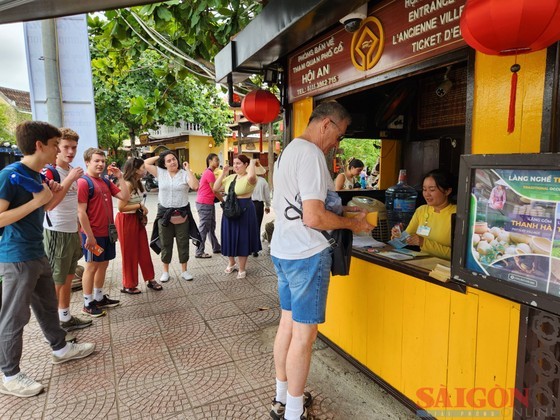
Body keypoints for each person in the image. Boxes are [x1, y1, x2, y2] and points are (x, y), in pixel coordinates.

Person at [269, 102, 372, 420]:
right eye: (339, 135)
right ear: (327, 124)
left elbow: (300, 206)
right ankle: (294, 412)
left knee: (287, 323)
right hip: (306, 255)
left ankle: (282, 396)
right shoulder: (312, 154)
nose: (336, 144)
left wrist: (341, 212)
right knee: (304, 335)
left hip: (284, 250)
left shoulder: (289, 151)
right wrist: (353, 224)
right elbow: (313, 217)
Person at [0, 121, 95, 398]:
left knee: (47, 306)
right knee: (14, 316)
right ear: (40, 145)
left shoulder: (35, 175)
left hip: (36, 251)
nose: (58, 151)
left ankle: (61, 348)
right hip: (16, 257)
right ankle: (10, 375)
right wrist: (36, 200)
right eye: (55, 145)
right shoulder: (9, 175)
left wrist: (50, 192)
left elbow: (48, 205)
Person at [42, 128, 92, 337]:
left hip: (72, 231)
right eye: (66, 147)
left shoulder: (70, 169)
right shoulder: (50, 172)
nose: (70, 151)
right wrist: (70, 179)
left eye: (74, 147)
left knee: (68, 279)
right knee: (57, 281)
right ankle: (52, 330)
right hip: (56, 232)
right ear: (57, 148)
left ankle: (65, 317)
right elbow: (50, 205)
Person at [77, 148, 130, 317]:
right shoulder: (84, 182)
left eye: (102, 161)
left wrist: (120, 177)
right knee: (91, 266)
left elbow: (125, 197)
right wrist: (89, 236)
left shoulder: (105, 182)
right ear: (87, 162)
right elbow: (81, 212)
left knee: (104, 264)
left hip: (107, 233)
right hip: (93, 234)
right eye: (96, 161)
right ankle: (87, 303)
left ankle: (99, 297)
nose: (100, 164)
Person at [144, 151, 199, 282]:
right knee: (165, 242)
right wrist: (162, 154)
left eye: (173, 159)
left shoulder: (184, 174)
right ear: (164, 163)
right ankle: (165, 271)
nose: (172, 162)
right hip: (164, 215)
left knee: (183, 242)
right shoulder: (160, 173)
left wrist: (188, 169)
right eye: (168, 161)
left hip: (182, 215)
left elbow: (195, 186)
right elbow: (146, 163)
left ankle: (184, 271)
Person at [115, 158, 161, 294]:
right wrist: (140, 206)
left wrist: (141, 209)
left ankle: (150, 279)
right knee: (129, 253)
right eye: (142, 168)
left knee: (143, 250)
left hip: (135, 218)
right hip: (126, 219)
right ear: (135, 170)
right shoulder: (127, 184)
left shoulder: (138, 183)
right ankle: (128, 284)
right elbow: (121, 207)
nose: (145, 169)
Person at [390, 169, 457, 260]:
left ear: (447, 191)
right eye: (424, 189)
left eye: (432, 190)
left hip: (446, 268)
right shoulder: (422, 210)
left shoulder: (458, 214)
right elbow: (406, 239)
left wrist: (424, 243)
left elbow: (457, 256)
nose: (426, 194)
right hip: (423, 263)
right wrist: (399, 235)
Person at [213, 154, 261, 279]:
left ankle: (242, 267)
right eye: (234, 163)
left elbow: (251, 175)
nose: (235, 165)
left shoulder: (251, 178)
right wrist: (223, 173)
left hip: (244, 209)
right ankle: (231, 262)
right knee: (229, 236)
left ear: (246, 165)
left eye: (239, 163)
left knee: (242, 238)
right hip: (230, 209)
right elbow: (215, 188)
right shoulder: (231, 177)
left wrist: (252, 162)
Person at [195, 153, 222, 258]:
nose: (218, 162)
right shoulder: (209, 173)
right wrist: (223, 201)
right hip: (204, 203)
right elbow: (214, 190)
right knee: (204, 228)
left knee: (211, 226)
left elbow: (214, 189)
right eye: (216, 160)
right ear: (210, 161)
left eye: (218, 160)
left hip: (207, 203)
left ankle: (216, 247)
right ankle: (199, 251)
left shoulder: (208, 172)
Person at [251, 162, 271, 257]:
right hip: (259, 205)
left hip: (248, 204)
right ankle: (255, 249)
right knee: (257, 226)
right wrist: (267, 206)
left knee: (248, 226)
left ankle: (248, 247)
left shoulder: (249, 179)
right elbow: (267, 195)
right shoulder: (263, 181)